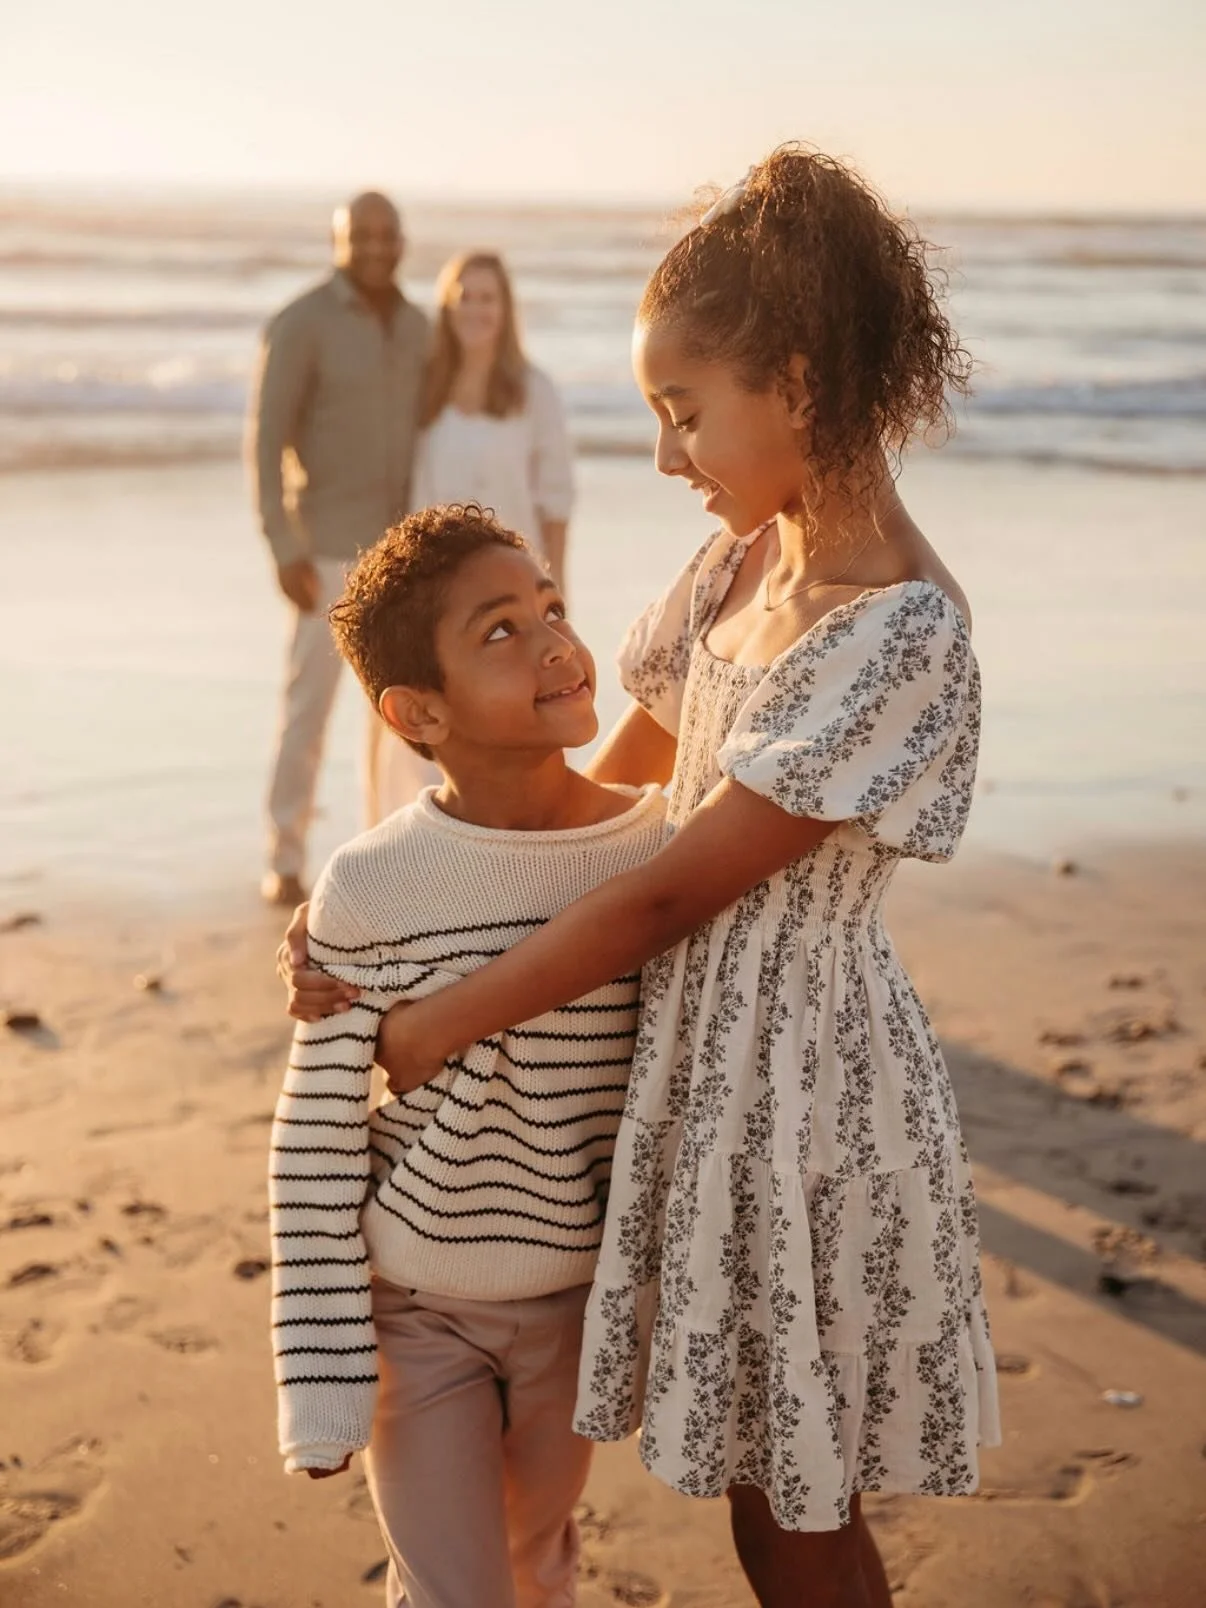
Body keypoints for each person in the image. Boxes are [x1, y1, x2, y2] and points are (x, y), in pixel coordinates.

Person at [283, 145, 1001, 1608]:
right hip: (692, 1076)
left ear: (797, 384)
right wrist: (393, 906)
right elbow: (599, 811)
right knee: (760, 1486)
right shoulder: (735, 570)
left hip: (800, 1094)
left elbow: (670, 892)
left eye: (683, 412)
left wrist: (437, 1023)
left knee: (792, 1503)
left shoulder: (901, 632)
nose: (667, 458)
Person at [268, 504, 667, 1608]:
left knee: (534, 1561)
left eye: (552, 607)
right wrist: (321, 1387)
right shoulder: (372, 886)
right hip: (417, 1307)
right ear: (419, 711)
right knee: (456, 1592)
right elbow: (314, 1141)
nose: (555, 642)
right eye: (501, 630)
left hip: (575, 1310)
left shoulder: (655, 852)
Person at [248, 190, 429, 905]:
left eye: (388, 233)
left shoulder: (419, 327)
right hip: (323, 550)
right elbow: (266, 441)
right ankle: (284, 856)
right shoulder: (301, 324)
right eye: (362, 235)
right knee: (308, 710)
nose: (377, 246)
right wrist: (282, 545)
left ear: (402, 240)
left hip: (401, 552)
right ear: (339, 241)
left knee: (398, 710)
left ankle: (384, 845)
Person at [367, 251, 575, 821]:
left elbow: (556, 496)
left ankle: (513, 837)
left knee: (511, 712)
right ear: (446, 307)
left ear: (505, 309)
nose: (476, 310)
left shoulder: (533, 391)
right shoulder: (425, 389)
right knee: (425, 715)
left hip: (512, 586)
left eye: (488, 298)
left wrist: (555, 591)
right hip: (434, 587)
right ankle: (402, 839)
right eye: (465, 297)